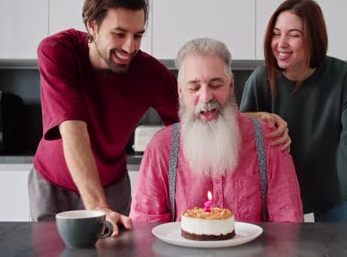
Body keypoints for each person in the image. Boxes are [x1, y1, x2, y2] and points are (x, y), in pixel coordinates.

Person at [28, 0, 179, 236]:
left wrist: (250, 119)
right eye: (119, 34)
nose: (130, 47)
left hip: (112, 187)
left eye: (138, 35)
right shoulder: (57, 51)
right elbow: (73, 128)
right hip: (51, 186)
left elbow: (193, 117)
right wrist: (97, 207)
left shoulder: (152, 74)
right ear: (92, 26)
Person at [240, 0, 347, 224]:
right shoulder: (261, 80)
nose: (281, 43)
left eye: (294, 35)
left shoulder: (343, 78)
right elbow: (240, 134)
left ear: (314, 39)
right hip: (275, 192)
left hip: (329, 190)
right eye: (276, 33)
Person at [129, 38, 303, 222]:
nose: (205, 97)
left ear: (231, 85)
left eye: (215, 85)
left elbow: (288, 227)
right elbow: (145, 230)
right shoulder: (161, 149)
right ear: (180, 92)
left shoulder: (270, 141)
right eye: (194, 87)